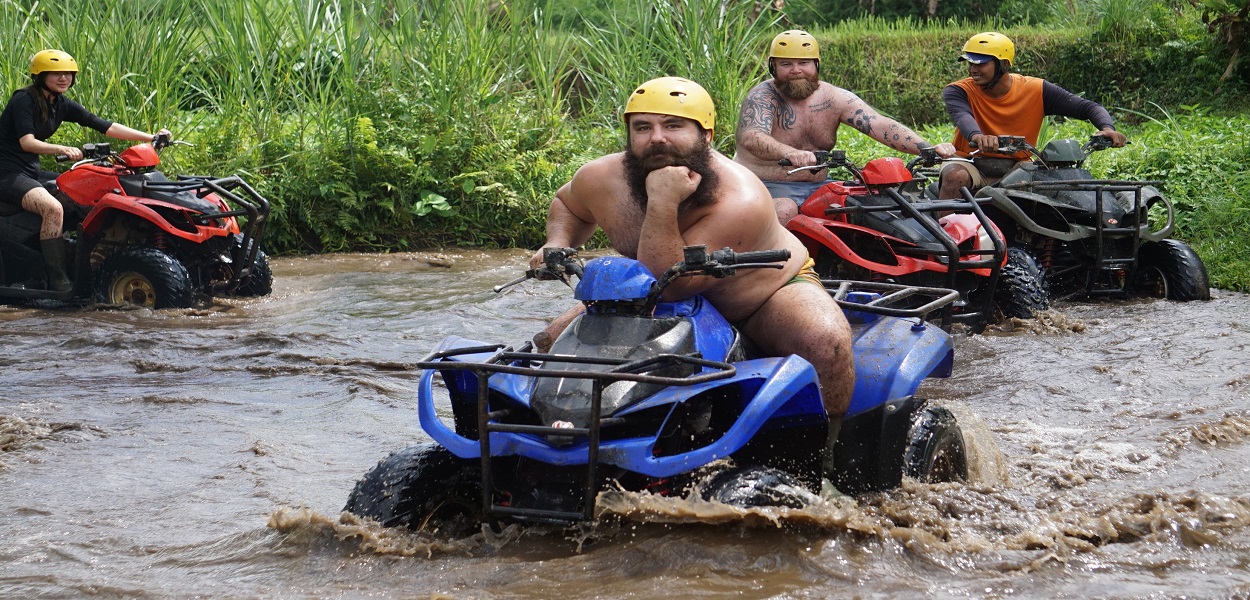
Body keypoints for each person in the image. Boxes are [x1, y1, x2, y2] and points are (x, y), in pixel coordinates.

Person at [530, 76, 855, 449]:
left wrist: (663, 202)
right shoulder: (601, 177)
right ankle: (570, 442)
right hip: (646, 296)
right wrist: (558, 241)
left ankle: (826, 453)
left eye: (673, 126)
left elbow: (671, 281)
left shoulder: (741, 197)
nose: (656, 138)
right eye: (642, 128)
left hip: (761, 295)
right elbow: (568, 204)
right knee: (550, 342)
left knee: (826, 343)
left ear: (706, 136)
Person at [734, 30, 955, 224]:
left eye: (803, 63)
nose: (796, 70)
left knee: (864, 207)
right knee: (785, 209)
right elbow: (752, 136)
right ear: (773, 67)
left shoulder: (833, 97)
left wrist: (927, 148)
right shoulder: (763, 97)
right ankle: (776, 271)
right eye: (786, 64)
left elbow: (878, 123)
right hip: (764, 186)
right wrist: (791, 153)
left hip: (817, 187)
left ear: (816, 65)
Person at [0, 49, 169, 291]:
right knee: (52, 208)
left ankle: (85, 262)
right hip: (7, 174)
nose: (64, 78)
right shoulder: (23, 100)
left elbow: (105, 126)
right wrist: (63, 148)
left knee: (82, 193)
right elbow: (27, 142)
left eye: (68, 74)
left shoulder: (60, 103)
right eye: (56, 74)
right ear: (40, 76)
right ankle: (59, 280)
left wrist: (151, 137)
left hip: (31, 171)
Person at [937, 32, 1128, 199]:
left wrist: (1107, 128)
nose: (972, 69)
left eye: (980, 62)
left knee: (1052, 186)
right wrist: (977, 136)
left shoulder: (1036, 89)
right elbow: (962, 116)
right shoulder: (959, 90)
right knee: (955, 177)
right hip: (971, 163)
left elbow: (1086, 107)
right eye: (970, 63)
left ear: (1003, 64)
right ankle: (945, 235)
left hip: (1017, 166)